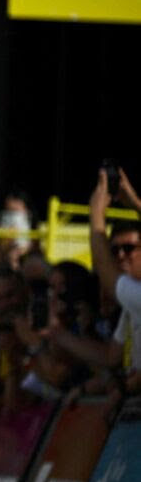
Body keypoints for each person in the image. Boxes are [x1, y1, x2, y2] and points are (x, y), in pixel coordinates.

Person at [84, 167, 141, 395]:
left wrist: (96, 214)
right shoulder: (132, 302)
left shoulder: (136, 295)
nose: (119, 256)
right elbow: (110, 356)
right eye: (114, 250)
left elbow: (103, 265)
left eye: (129, 249)